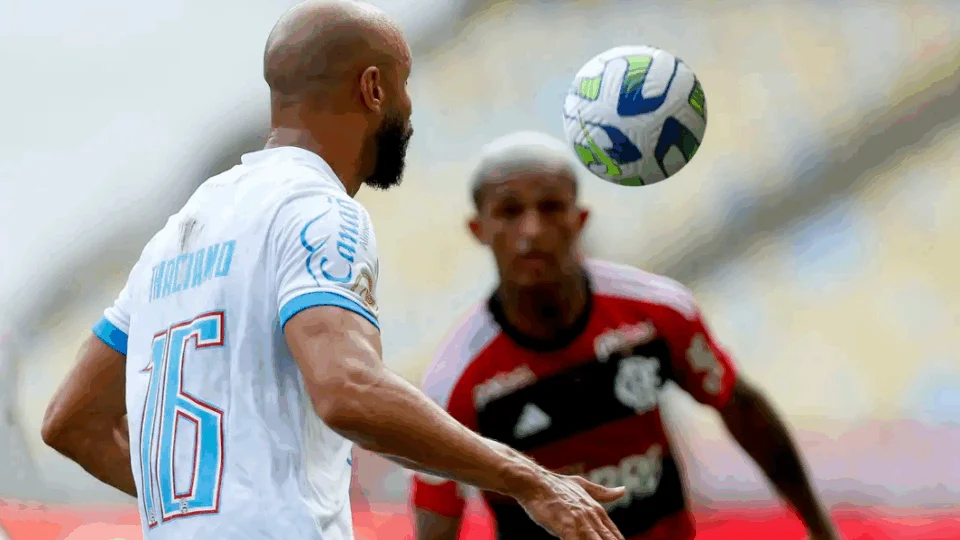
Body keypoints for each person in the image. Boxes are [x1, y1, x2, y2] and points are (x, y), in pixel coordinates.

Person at [39, 3, 626, 540]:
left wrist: (209, 515)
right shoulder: (318, 210)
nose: (410, 107)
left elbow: (72, 420)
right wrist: (528, 478)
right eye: (405, 84)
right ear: (374, 88)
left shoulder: (177, 233)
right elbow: (348, 391)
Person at [411, 132, 842, 540]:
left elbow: (741, 408)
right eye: (509, 212)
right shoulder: (456, 380)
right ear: (478, 230)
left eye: (550, 208)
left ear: (579, 220)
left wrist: (822, 530)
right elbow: (437, 512)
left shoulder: (657, 312)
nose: (532, 231)